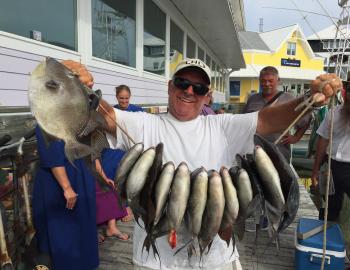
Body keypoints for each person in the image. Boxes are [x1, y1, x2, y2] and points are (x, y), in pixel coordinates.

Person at [72, 58, 339, 270]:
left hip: (216, 256)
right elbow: (104, 116)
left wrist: (309, 99)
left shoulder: (222, 125)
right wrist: (78, 88)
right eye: (182, 83)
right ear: (169, 85)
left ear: (207, 95)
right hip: (157, 261)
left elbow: (269, 120)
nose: (189, 91)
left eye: (198, 88)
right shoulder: (143, 123)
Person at [32, 125, 99, 270]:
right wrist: (66, 187)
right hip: (62, 179)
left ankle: (79, 264)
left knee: (76, 226)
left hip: (76, 174)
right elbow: (54, 156)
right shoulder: (49, 120)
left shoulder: (70, 117)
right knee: (64, 229)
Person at [243, 66, 311, 162]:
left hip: (280, 152)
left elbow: (306, 119)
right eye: (263, 81)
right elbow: (243, 123)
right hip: (254, 151)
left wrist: (296, 138)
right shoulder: (252, 99)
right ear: (259, 81)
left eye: (270, 81)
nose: (267, 84)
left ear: (278, 80)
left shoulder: (289, 99)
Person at [104, 84, 144, 222]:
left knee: (130, 173)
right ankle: (113, 209)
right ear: (116, 97)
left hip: (132, 148)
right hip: (116, 147)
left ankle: (128, 206)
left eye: (127, 98)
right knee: (109, 168)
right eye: (121, 98)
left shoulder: (138, 111)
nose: (124, 101)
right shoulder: (111, 111)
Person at [311, 83, 350, 221]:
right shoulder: (333, 113)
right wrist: (315, 171)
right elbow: (322, 142)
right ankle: (326, 236)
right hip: (331, 166)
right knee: (329, 207)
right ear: (344, 94)